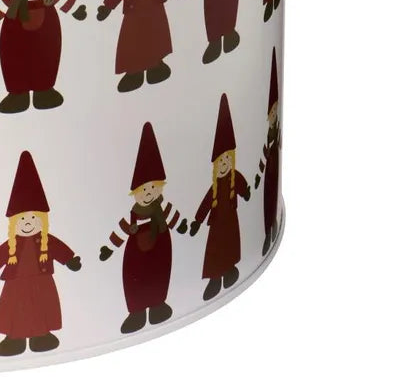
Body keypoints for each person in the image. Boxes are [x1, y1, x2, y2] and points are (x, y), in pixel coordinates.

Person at [0, 152, 80, 356]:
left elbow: (58, 248)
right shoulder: (12, 244)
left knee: (40, 306)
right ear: (14, 222)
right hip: (16, 283)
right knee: (17, 309)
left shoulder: (46, 240)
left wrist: (69, 259)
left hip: (41, 280)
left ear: (42, 220)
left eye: (33, 218)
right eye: (22, 219)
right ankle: (15, 339)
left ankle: (41, 335)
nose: (28, 223)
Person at [98, 122, 187, 334]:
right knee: (135, 279)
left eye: (153, 187)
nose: (148, 193)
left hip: (160, 249)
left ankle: (158, 305)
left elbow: (174, 217)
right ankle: (136, 312)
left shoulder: (162, 207)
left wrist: (183, 225)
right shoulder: (133, 214)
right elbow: (121, 229)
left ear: (160, 187)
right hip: (136, 254)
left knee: (159, 274)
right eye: (143, 189)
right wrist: (109, 247)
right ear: (135, 192)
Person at [190, 94, 251, 300]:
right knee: (216, 248)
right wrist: (197, 221)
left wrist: (246, 192)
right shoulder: (214, 188)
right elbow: (206, 203)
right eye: (221, 161)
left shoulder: (234, 177)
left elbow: (242, 186)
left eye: (227, 159)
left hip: (230, 220)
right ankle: (215, 278)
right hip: (217, 224)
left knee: (230, 245)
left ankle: (230, 268)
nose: (224, 164)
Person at [255, 49, 282, 255]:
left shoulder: (272, 133)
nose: (273, 115)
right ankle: (266, 234)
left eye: (274, 112)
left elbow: (264, 155)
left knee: (268, 202)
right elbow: (263, 157)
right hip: (267, 175)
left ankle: (266, 233)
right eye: (271, 113)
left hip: (272, 172)